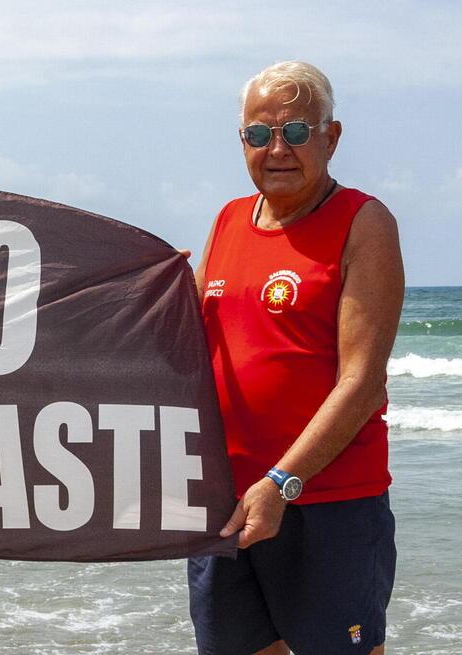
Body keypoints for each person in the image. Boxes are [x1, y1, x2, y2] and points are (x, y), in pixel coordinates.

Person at [189, 61, 403, 655]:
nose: (277, 149)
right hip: (225, 501)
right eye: (259, 134)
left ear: (331, 137)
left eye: (297, 132)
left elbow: (362, 383)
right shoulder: (228, 220)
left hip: (327, 506)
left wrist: (281, 484)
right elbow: (178, 343)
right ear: (242, 142)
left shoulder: (364, 223)